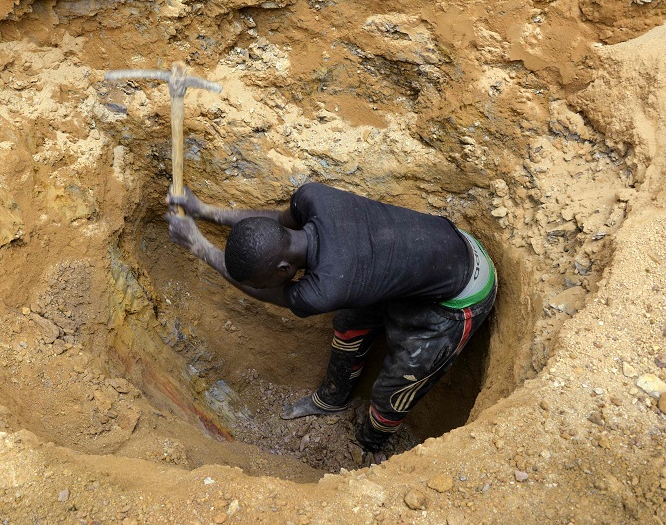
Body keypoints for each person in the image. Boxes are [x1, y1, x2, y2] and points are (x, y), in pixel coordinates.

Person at [166, 181, 496, 464]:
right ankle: (332, 399)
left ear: (283, 269)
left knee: (394, 392)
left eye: (267, 280)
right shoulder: (310, 198)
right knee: (350, 325)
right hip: (420, 257)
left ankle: (369, 446)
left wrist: (199, 245)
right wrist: (202, 209)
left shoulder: (326, 288)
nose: (267, 286)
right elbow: (271, 226)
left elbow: (264, 294)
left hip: (461, 293)